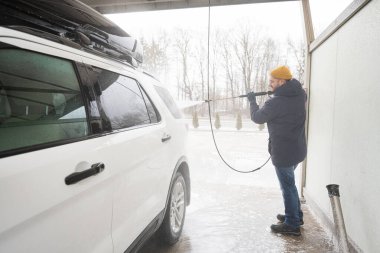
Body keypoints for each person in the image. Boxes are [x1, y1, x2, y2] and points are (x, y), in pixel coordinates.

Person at [247, 65, 307, 236]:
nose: (270, 84)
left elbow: (257, 117)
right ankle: (296, 216)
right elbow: (288, 99)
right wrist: (276, 93)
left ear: (281, 81)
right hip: (297, 149)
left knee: (287, 187)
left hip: (284, 153)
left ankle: (292, 224)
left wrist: (252, 101)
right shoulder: (300, 93)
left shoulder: (276, 102)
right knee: (291, 185)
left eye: (272, 81)